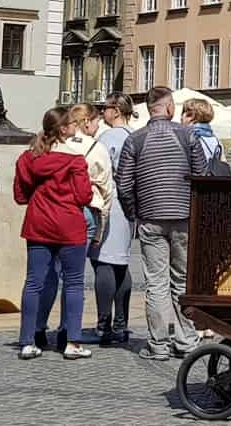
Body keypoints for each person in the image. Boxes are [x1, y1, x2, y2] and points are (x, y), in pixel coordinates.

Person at [116, 87, 206, 360]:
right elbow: (202, 176)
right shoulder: (188, 135)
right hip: (183, 216)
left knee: (156, 283)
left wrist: (135, 212)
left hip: (150, 217)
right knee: (181, 280)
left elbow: (123, 183)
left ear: (148, 109)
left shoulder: (135, 139)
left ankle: (158, 345)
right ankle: (186, 341)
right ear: (169, 108)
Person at [14, 108, 93, 360]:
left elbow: (20, 195)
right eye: (72, 123)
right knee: (73, 283)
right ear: (63, 130)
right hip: (69, 225)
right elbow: (84, 196)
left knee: (34, 282)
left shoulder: (29, 158)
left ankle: (27, 341)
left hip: (38, 223)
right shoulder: (75, 160)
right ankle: (72, 342)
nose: (75, 127)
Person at [34, 103, 113, 351]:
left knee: (48, 275)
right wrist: (101, 229)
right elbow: (107, 191)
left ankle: (37, 329)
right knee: (74, 279)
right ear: (85, 121)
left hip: (50, 213)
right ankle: (67, 332)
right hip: (85, 212)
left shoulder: (48, 147)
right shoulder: (96, 148)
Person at [92, 93, 137, 345]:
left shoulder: (106, 139)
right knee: (121, 263)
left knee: (104, 262)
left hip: (107, 204)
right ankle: (121, 322)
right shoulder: (134, 136)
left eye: (105, 108)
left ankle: (103, 323)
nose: (102, 113)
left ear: (116, 111)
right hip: (128, 206)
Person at [180, 98, 222, 339]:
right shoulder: (214, 139)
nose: (181, 118)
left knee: (189, 268)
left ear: (191, 116)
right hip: (210, 206)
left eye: (184, 113)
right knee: (205, 266)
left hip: (191, 202)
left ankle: (195, 323)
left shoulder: (189, 137)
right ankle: (207, 323)